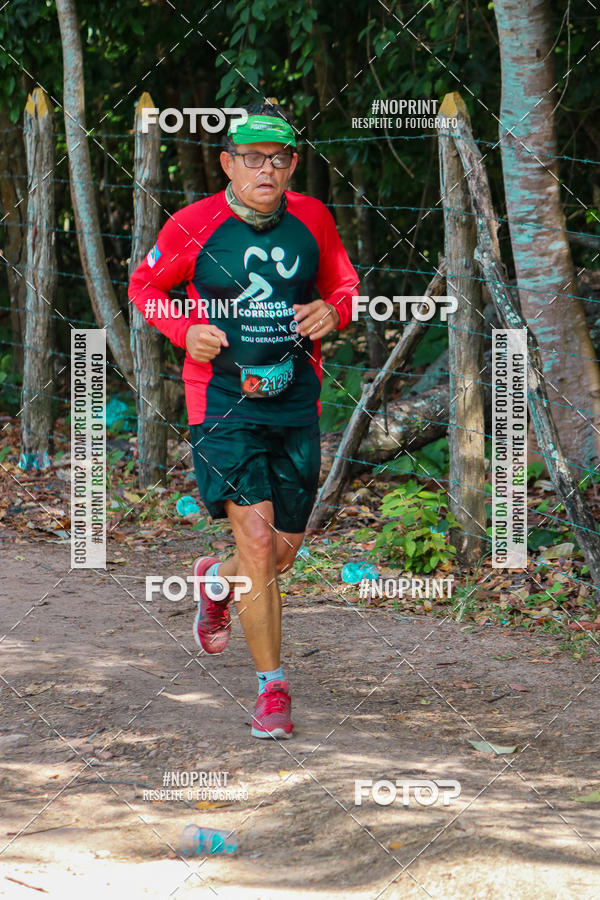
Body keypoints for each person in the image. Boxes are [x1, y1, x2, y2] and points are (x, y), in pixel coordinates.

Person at [129, 100, 358, 740]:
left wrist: (334, 313)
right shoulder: (192, 225)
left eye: (277, 158)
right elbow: (145, 289)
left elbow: (344, 284)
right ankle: (272, 691)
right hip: (220, 405)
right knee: (256, 545)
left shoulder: (312, 218)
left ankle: (214, 581)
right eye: (251, 158)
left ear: (291, 165)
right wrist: (184, 329)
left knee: (280, 556)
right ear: (229, 163)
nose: (266, 169)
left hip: (295, 405)